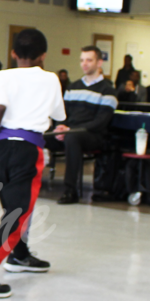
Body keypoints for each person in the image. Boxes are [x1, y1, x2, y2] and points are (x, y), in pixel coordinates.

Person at [0, 28, 65, 299]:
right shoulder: (51, 79)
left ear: (13, 53)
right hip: (28, 150)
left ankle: (19, 256)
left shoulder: (0, 75)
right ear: (43, 55)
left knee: (11, 207)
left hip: (2, 150)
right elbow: (56, 115)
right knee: (17, 215)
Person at [45, 46, 117, 204]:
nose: (84, 64)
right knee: (40, 135)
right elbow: (62, 112)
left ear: (99, 63)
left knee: (72, 138)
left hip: (92, 134)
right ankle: (23, 181)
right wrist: (60, 127)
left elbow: (101, 122)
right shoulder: (73, 86)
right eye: (82, 60)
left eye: (89, 60)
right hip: (70, 130)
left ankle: (70, 190)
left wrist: (70, 130)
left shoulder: (108, 90)